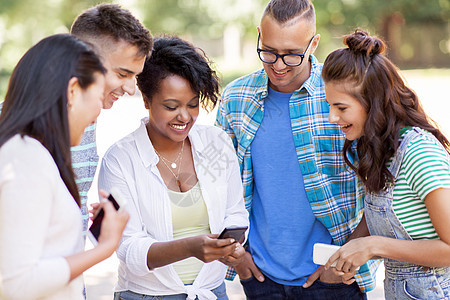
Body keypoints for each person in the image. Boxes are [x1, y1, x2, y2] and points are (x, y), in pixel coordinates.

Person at [215, 0, 379, 299]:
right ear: (259, 36)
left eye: (291, 55)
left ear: (313, 43)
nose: (277, 65)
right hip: (260, 277)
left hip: (335, 278)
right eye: (268, 51)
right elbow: (217, 182)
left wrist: (345, 257)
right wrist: (237, 258)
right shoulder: (235, 99)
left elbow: (381, 187)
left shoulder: (340, 98)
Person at [98, 36, 249, 300]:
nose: (185, 116)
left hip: (211, 291)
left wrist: (232, 247)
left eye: (192, 104)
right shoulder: (120, 159)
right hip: (145, 295)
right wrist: (189, 247)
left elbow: (235, 213)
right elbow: (126, 248)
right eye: (171, 106)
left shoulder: (216, 143)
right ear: (146, 100)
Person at [322, 29, 450, 300]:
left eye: (341, 108)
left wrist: (374, 246)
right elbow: (387, 211)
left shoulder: (420, 153)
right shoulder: (379, 147)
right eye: (329, 106)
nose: (332, 117)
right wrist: (350, 251)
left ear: (374, 103)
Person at [0, 34, 129, 300]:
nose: (98, 110)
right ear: (72, 91)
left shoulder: (28, 152)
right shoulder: (26, 159)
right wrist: (104, 249)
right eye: (96, 95)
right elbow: (16, 283)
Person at [70, 3, 152, 238]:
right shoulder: (20, 126)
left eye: (135, 76)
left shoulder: (88, 116)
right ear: (83, 59)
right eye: (122, 74)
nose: (130, 88)